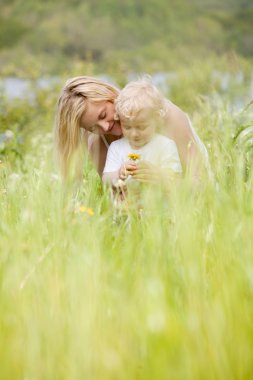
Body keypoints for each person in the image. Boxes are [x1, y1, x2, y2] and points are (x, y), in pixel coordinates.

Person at [54, 75, 209, 182]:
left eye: (103, 115)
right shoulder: (98, 143)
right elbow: (113, 192)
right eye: (93, 128)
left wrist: (162, 181)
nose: (105, 127)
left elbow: (201, 184)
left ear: (109, 96)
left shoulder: (164, 115)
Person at [102, 78, 182, 188]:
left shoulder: (165, 145)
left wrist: (158, 175)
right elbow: (105, 179)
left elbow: (176, 180)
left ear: (156, 119)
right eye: (127, 127)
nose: (134, 134)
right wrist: (118, 173)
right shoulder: (116, 147)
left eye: (142, 127)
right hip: (127, 202)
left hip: (158, 202)